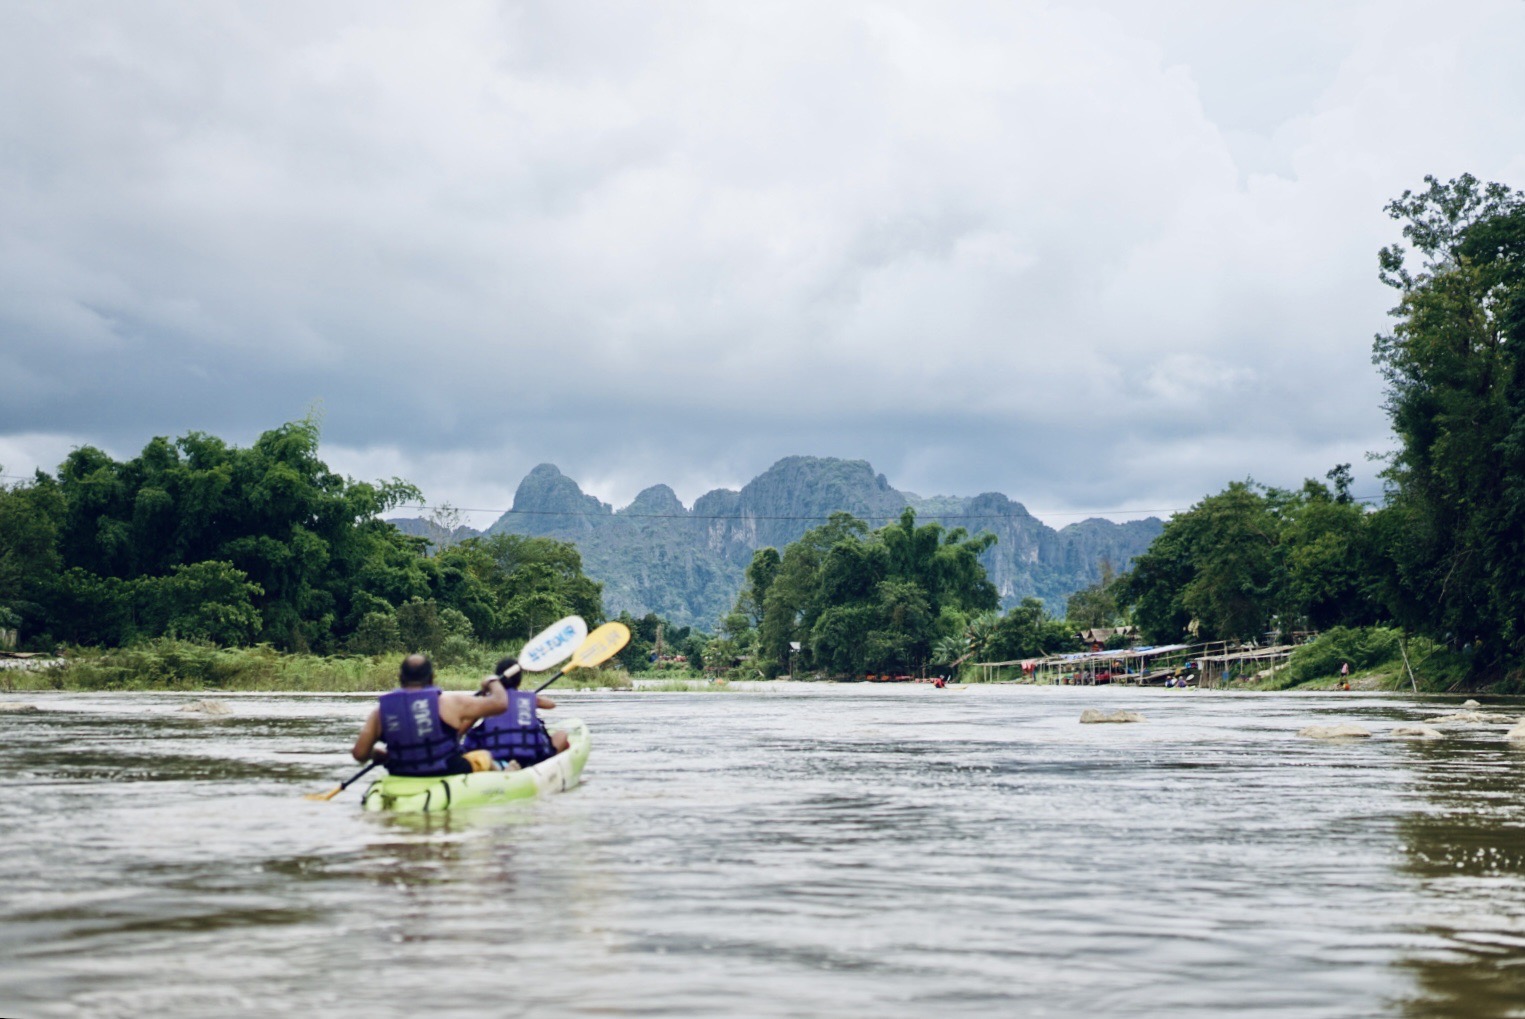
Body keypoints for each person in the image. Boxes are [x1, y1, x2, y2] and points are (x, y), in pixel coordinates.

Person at [351, 653, 508, 776]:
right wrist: (493, 681)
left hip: (402, 773)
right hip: (448, 770)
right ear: (432, 678)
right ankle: (507, 775)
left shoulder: (379, 712)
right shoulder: (449, 702)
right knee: (484, 756)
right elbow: (500, 703)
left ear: (400, 678)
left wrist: (378, 754)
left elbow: (359, 754)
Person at [460, 656, 571, 770]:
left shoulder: (487, 702)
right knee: (562, 735)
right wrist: (530, 697)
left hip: (495, 758)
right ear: (519, 680)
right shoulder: (529, 698)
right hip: (532, 759)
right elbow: (551, 704)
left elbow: (459, 731)